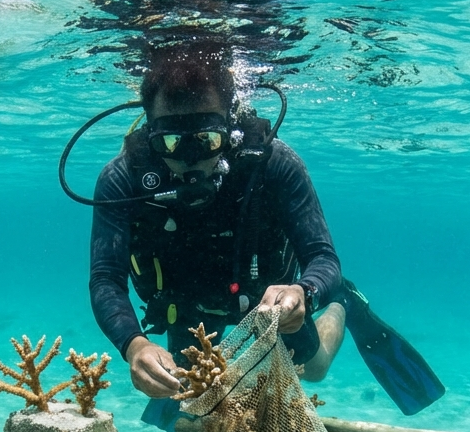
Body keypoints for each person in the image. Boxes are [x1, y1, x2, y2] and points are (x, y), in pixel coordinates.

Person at [88, 41, 349, 399]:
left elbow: (323, 256)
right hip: (185, 304)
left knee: (314, 369)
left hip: (269, 302)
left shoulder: (274, 163)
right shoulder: (122, 179)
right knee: (187, 391)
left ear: (230, 128)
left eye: (206, 140)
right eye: (171, 144)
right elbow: (105, 279)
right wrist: (134, 345)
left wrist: (307, 289)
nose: (189, 161)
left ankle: (343, 305)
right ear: (150, 134)